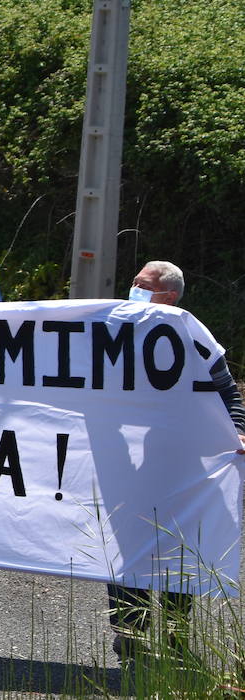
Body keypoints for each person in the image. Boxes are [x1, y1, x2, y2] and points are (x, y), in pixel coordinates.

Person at [106, 260, 245, 659]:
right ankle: (129, 631)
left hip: (182, 464)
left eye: (142, 284)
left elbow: (227, 392)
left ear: (167, 296)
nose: (132, 287)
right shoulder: (111, 325)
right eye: (133, 281)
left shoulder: (190, 333)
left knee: (177, 549)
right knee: (125, 544)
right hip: (124, 462)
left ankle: (174, 633)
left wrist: (235, 430)